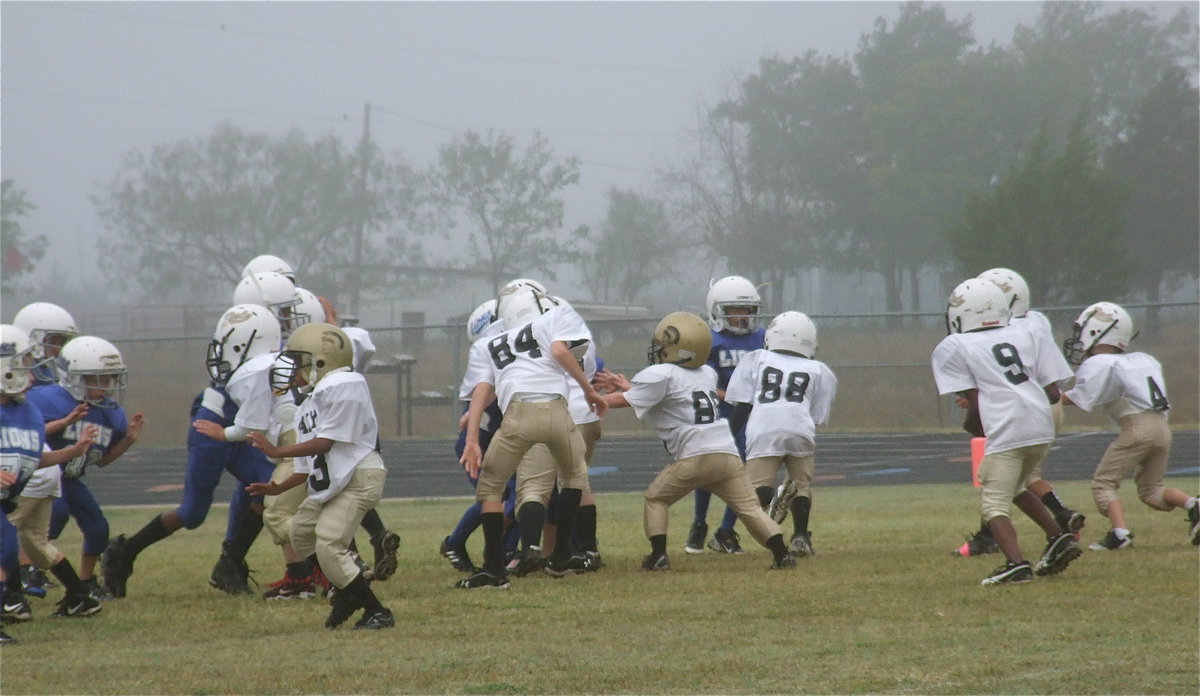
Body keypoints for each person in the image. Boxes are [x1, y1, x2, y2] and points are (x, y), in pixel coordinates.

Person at [102, 304, 282, 598]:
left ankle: (231, 562)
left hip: (245, 426)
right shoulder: (259, 364)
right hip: (213, 425)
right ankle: (125, 551)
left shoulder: (271, 357)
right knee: (193, 513)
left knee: (269, 486)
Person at [598, 311, 795, 571]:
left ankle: (658, 556)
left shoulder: (661, 374)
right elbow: (674, 395)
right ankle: (782, 555)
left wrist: (589, 396)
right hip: (726, 454)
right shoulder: (706, 374)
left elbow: (628, 400)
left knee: (656, 498)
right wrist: (627, 386)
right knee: (750, 510)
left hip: (695, 455)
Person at [931, 279, 1081, 586]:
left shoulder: (956, 345)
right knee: (1015, 485)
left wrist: (973, 424)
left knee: (994, 503)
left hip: (1009, 424)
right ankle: (1057, 537)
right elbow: (1053, 392)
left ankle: (1016, 565)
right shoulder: (1024, 329)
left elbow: (973, 401)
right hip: (1041, 422)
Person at [245, 322, 393, 630]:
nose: (295, 368)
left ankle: (376, 610)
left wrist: (276, 451)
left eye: (300, 360)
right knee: (300, 532)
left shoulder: (345, 383)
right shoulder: (308, 403)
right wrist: (278, 488)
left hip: (359, 478)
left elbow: (326, 443)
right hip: (337, 480)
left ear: (321, 360)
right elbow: (310, 465)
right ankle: (347, 590)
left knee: (329, 543)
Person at [457, 283, 605, 588]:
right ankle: (562, 553)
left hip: (518, 416)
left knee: (491, 489)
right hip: (558, 412)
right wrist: (589, 391)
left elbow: (482, 390)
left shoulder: (490, 342)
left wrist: (472, 438)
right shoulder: (554, 319)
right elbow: (564, 353)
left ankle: (495, 569)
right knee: (575, 477)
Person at [1060, 302, 1200, 549]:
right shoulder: (1144, 360)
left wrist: (1040, 397)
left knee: (1103, 483)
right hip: (1162, 428)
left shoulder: (1101, 362)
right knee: (1151, 490)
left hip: (1137, 427)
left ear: (1096, 330)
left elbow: (1078, 398)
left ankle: (1120, 534)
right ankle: (1193, 504)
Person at [29, 336, 143, 602]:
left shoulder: (109, 413)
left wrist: (128, 440)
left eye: (109, 378)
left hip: (69, 479)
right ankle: (27, 570)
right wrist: (64, 422)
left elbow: (102, 460)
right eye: (98, 378)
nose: (106, 386)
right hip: (40, 476)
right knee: (53, 517)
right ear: (73, 377)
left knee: (98, 527)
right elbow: (30, 436)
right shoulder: (46, 401)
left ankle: (86, 580)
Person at [1, 324, 101, 622]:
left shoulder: (27, 411)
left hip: (14, 493)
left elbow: (31, 458)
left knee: (14, 543)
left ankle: (16, 602)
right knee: (15, 543)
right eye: (24, 364)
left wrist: (73, 451)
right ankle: (15, 600)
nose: (31, 376)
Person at [725, 311, 836, 558]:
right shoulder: (819, 370)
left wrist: (728, 436)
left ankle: (774, 499)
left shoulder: (756, 358)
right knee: (802, 485)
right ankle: (800, 537)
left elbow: (742, 405)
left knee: (753, 494)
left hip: (764, 427)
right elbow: (818, 417)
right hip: (800, 426)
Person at [687, 276, 765, 555]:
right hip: (721, 411)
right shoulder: (711, 340)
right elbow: (702, 380)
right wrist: (731, 394)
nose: (742, 316)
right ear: (717, 310)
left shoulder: (762, 338)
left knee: (745, 472)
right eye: (735, 310)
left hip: (754, 416)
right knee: (708, 469)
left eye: (746, 310)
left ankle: (725, 531)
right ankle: (698, 524)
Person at [442, 299, 517, 575]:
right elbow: (494, 385)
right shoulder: (494, 349)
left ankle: (509, 551)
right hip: (478, 443)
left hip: (495, 439)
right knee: (502, 496)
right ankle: (455, 542)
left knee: (520, 493)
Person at [11, 301, 78, 596]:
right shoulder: (29, 402)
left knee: (7, 535)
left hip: (25, 477)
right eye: (54, 342)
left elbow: (29, 449)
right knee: (37, 543)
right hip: (41, 473)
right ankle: (80, 594)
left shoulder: (24, 402)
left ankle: (12, 596)